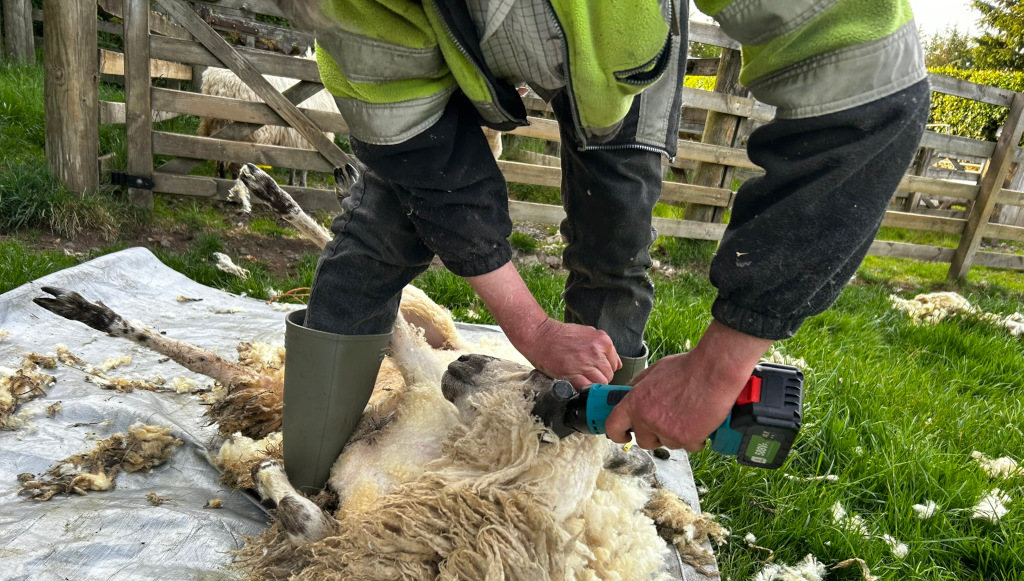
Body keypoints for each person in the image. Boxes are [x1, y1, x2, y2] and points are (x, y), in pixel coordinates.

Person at [280, 0, 930, 492]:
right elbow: (417, 151)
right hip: (438, 50)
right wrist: (530, 325)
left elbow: (866, 86)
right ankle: (315, 476)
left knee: (614, 235)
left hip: (623, 58)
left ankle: (576, 461)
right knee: (379, 231)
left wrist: (718, 368)